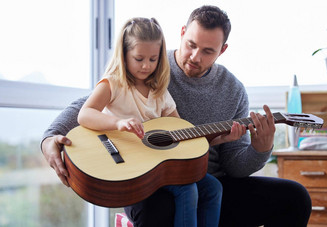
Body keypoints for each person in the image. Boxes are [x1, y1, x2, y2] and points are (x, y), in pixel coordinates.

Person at [41, 5, 312, 227]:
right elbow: (87, 105)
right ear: (182, 33)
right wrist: (49, 138)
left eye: (208, 51)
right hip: (146, 181)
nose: (195, 56)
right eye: (191, 44)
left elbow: (235, 168)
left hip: (205, 180)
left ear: (223, 50)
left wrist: (260, 148)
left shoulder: (233, 90)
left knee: (295, 197)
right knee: (163, 207)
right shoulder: (151, 65)